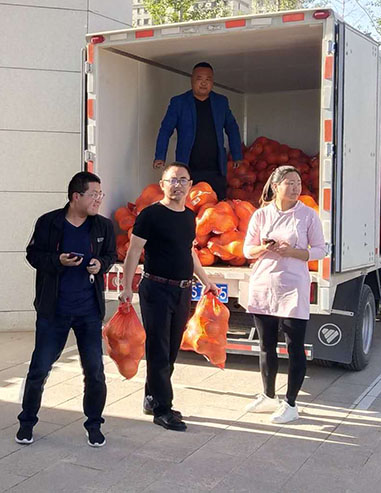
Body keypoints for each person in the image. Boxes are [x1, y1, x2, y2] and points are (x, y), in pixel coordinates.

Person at [17, 171, 117, 447]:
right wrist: (58, 260)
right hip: (54, 310)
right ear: (76, 196)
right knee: (39, 368)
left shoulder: (103, 227)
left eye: (100, 195)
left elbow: (111, 255)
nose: (98, 200)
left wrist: (100, 265)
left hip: (89, 311)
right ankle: (26, 423)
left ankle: (94, 425)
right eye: (93, 195)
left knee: (95, 371)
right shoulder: (49, 223)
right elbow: (33, 255)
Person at [120, 163, 218, 431]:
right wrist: (127, 287)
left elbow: (189, 251)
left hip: (182, 290)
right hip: (156, 289)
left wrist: (206, 281)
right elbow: (133, 251)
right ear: (162, 184)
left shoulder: (189, 216)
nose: (178, 185)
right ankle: (163, 409)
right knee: (159, 349)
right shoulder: (150, 215)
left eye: (183, 180)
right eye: (172, 180)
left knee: (171, 348)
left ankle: (152, 398)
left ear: (190, 185)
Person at [242, 165, 327, 424]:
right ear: (275, 186)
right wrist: (264, 248)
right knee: (266, 345)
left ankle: (290, 403)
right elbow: (247, 250)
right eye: (289, 182)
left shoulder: (308, 215)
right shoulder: (261, 215)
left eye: (298, 183)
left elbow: (320, 250)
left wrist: (292, 252)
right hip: (264, 284)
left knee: (294, 346)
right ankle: (268, 395)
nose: (295, 187)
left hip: (293, 286)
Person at [153, 62, 243, 201]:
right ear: (192, 80)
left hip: (215, 169)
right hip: (188, 168)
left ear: (212, 82)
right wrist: (160, 156)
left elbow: (232, 128)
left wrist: (237, 155)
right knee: (187, 205)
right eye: (199, 78)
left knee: (217, 205)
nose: (204, 83)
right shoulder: (179, 102)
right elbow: (165, 130)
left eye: (208, 79)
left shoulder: (221, 102)